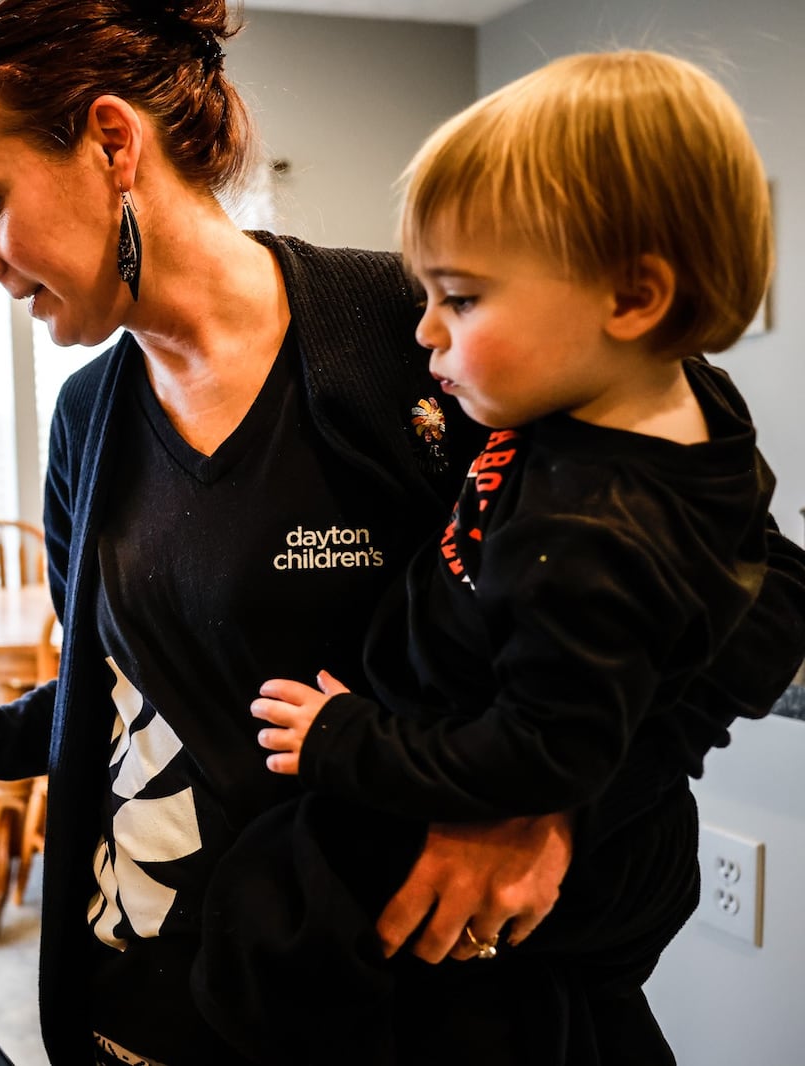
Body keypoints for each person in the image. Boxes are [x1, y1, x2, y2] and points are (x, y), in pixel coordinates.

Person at [0, 4, 805, 1064]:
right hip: (144, 1010)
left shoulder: (438, 330)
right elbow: (115, 700)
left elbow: (753, 595)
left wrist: (549, 808)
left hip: (418, 1014)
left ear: (114, 142)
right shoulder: (89, 420)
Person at [198, 48, 805, 1066]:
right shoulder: (665, 407)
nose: (424, 329)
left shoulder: (591, 537)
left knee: (266, 926)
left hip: (433, 769)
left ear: (632, 298)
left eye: (462, 298)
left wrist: (349, 739)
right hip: (509, 775)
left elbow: (541, 757)